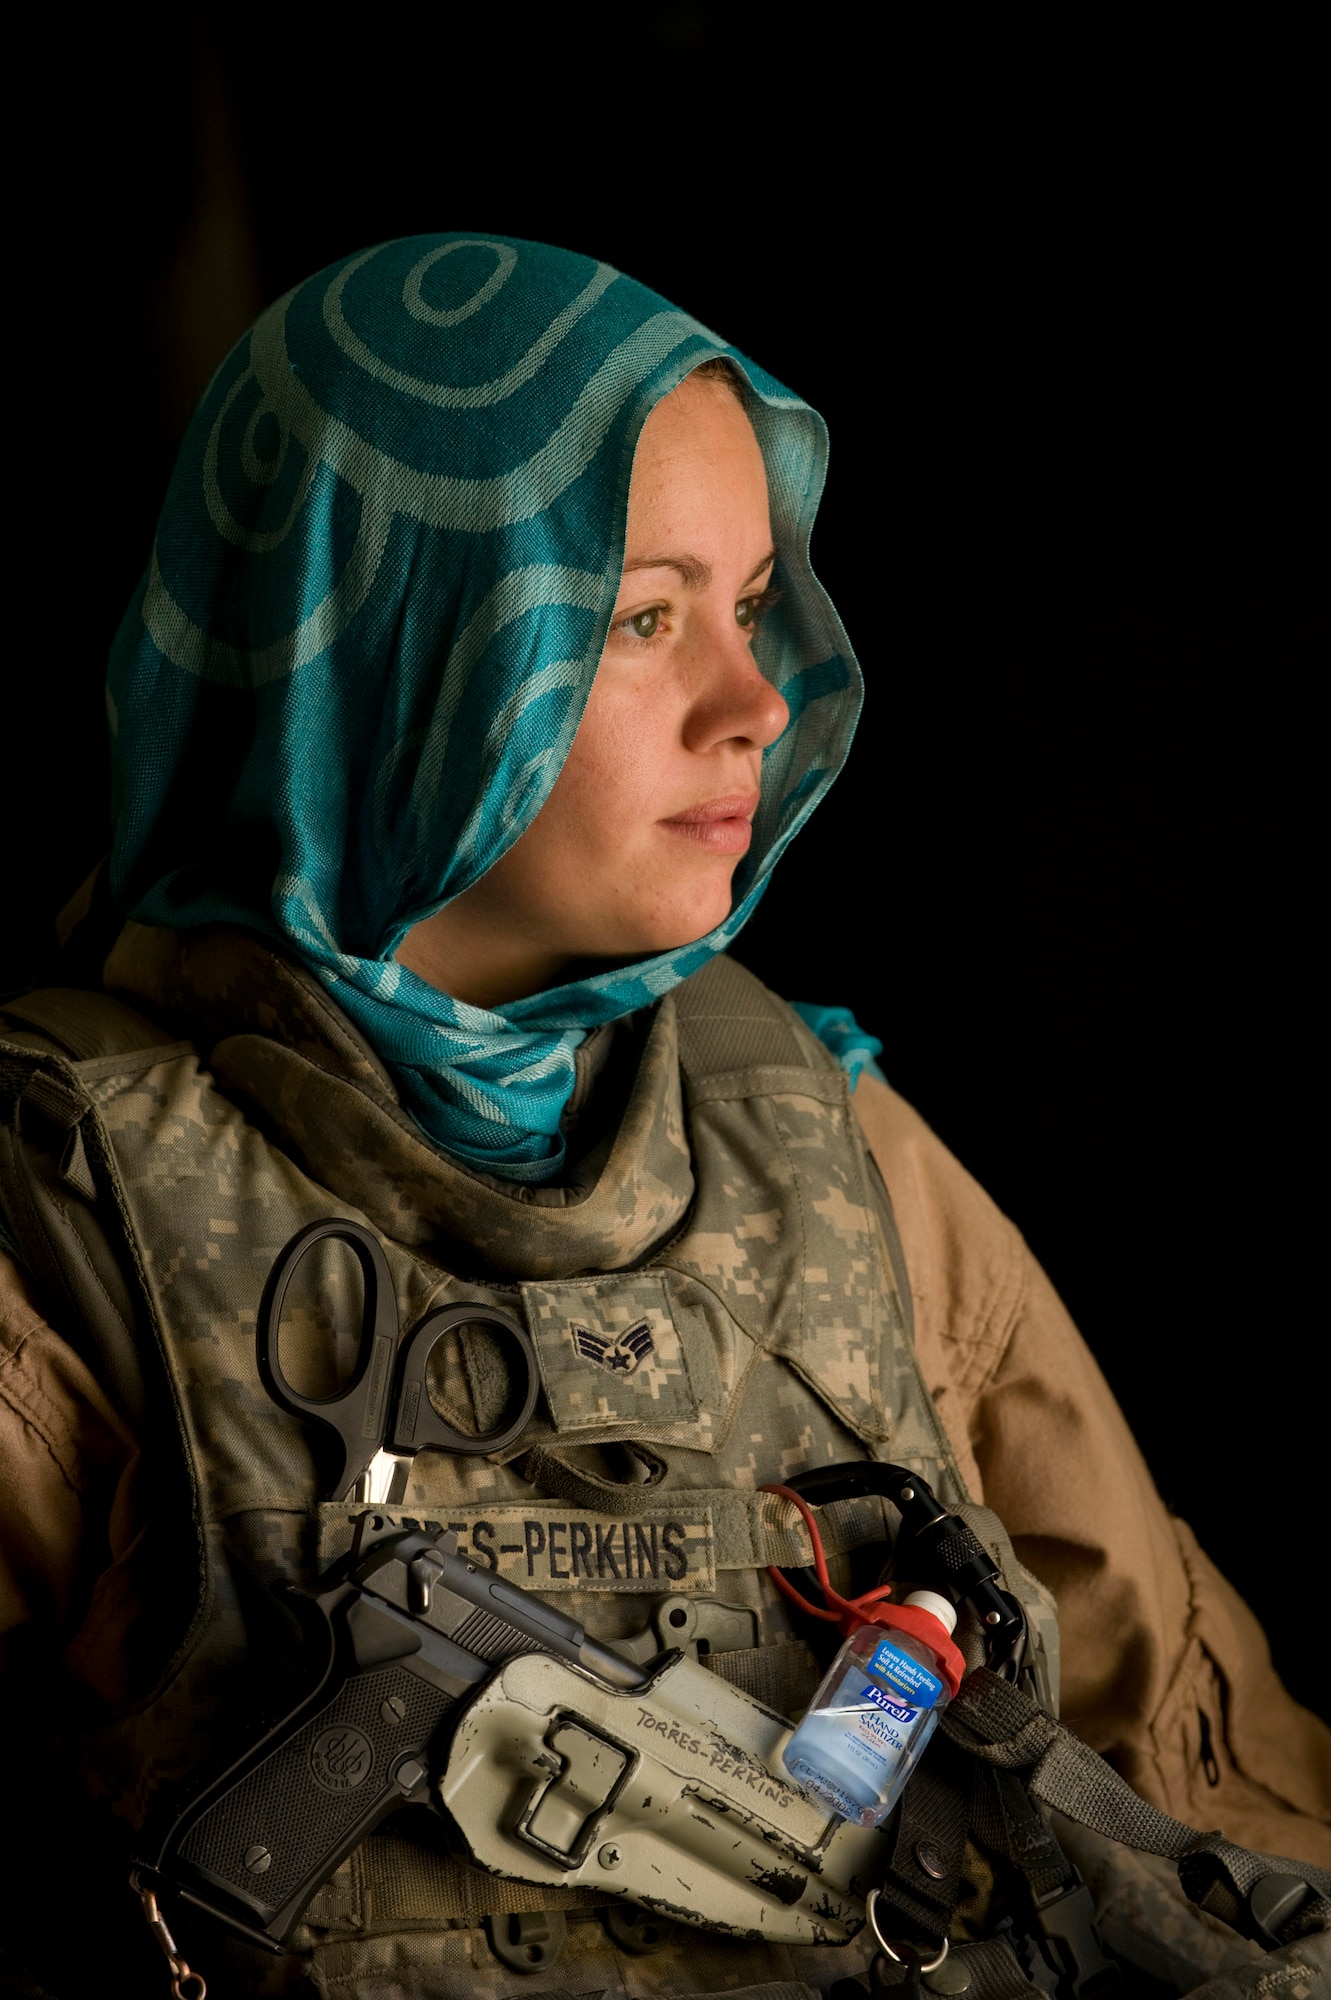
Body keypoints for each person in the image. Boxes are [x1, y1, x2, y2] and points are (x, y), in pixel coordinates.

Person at [0, 235, 1326, 2000]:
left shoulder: (831, 1142)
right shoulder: (66, 1205)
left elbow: (1190, 1785)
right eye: (640, 619)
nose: (757, 702)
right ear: (396, 655)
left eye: (752, 604)